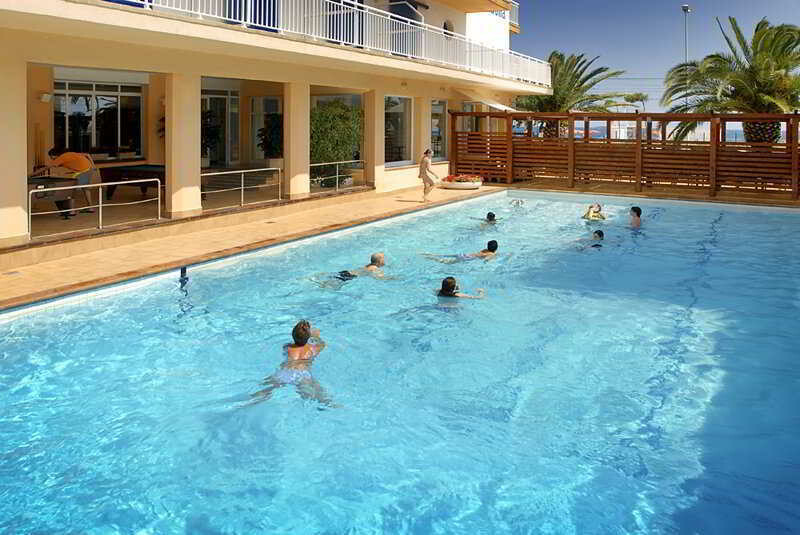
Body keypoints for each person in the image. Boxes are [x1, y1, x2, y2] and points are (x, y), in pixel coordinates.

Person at [251, 320, 335, 406]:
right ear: (308, 337)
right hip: (301, 374)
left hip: (285, 372)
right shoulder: (312, 349)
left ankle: (249, 402)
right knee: (319, 394)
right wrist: (316, 336)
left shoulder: (287, 347)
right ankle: (331, 405)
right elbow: (323, 344)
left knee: (265, 390)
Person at [40, 147, 95, 212]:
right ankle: (90, 207)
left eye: (51, 156)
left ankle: (72, 211)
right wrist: (93, 166)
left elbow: (45, 168)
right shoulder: (69, 154)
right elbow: (87, 155)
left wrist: (31, 175)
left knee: (71, 191)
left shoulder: (60, 158)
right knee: (85, 189)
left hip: (83, 171)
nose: (51, 158)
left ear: (55, 155)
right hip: (89, 169)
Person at [422, 240, 498, 263]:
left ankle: (430, 254)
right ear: (496, 248)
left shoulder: (485, 250)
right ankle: (431, 258)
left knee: (443, 255)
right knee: (445, 262)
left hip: (464, 254)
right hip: (465, 258)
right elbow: (486, 261)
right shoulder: (491, 254)